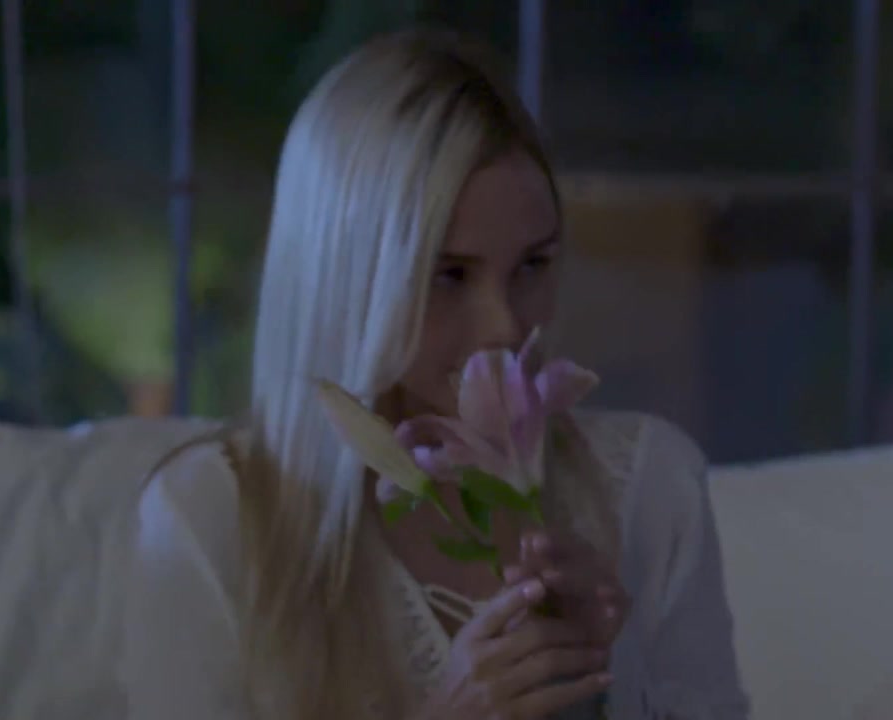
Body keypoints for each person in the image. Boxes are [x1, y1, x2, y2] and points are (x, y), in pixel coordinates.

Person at [123, 28, 749, 720]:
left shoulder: (648, 488)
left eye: (533, 266)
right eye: (449, 275)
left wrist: (604, 682)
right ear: (343, 280)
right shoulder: (209, 520)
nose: (505, 328)